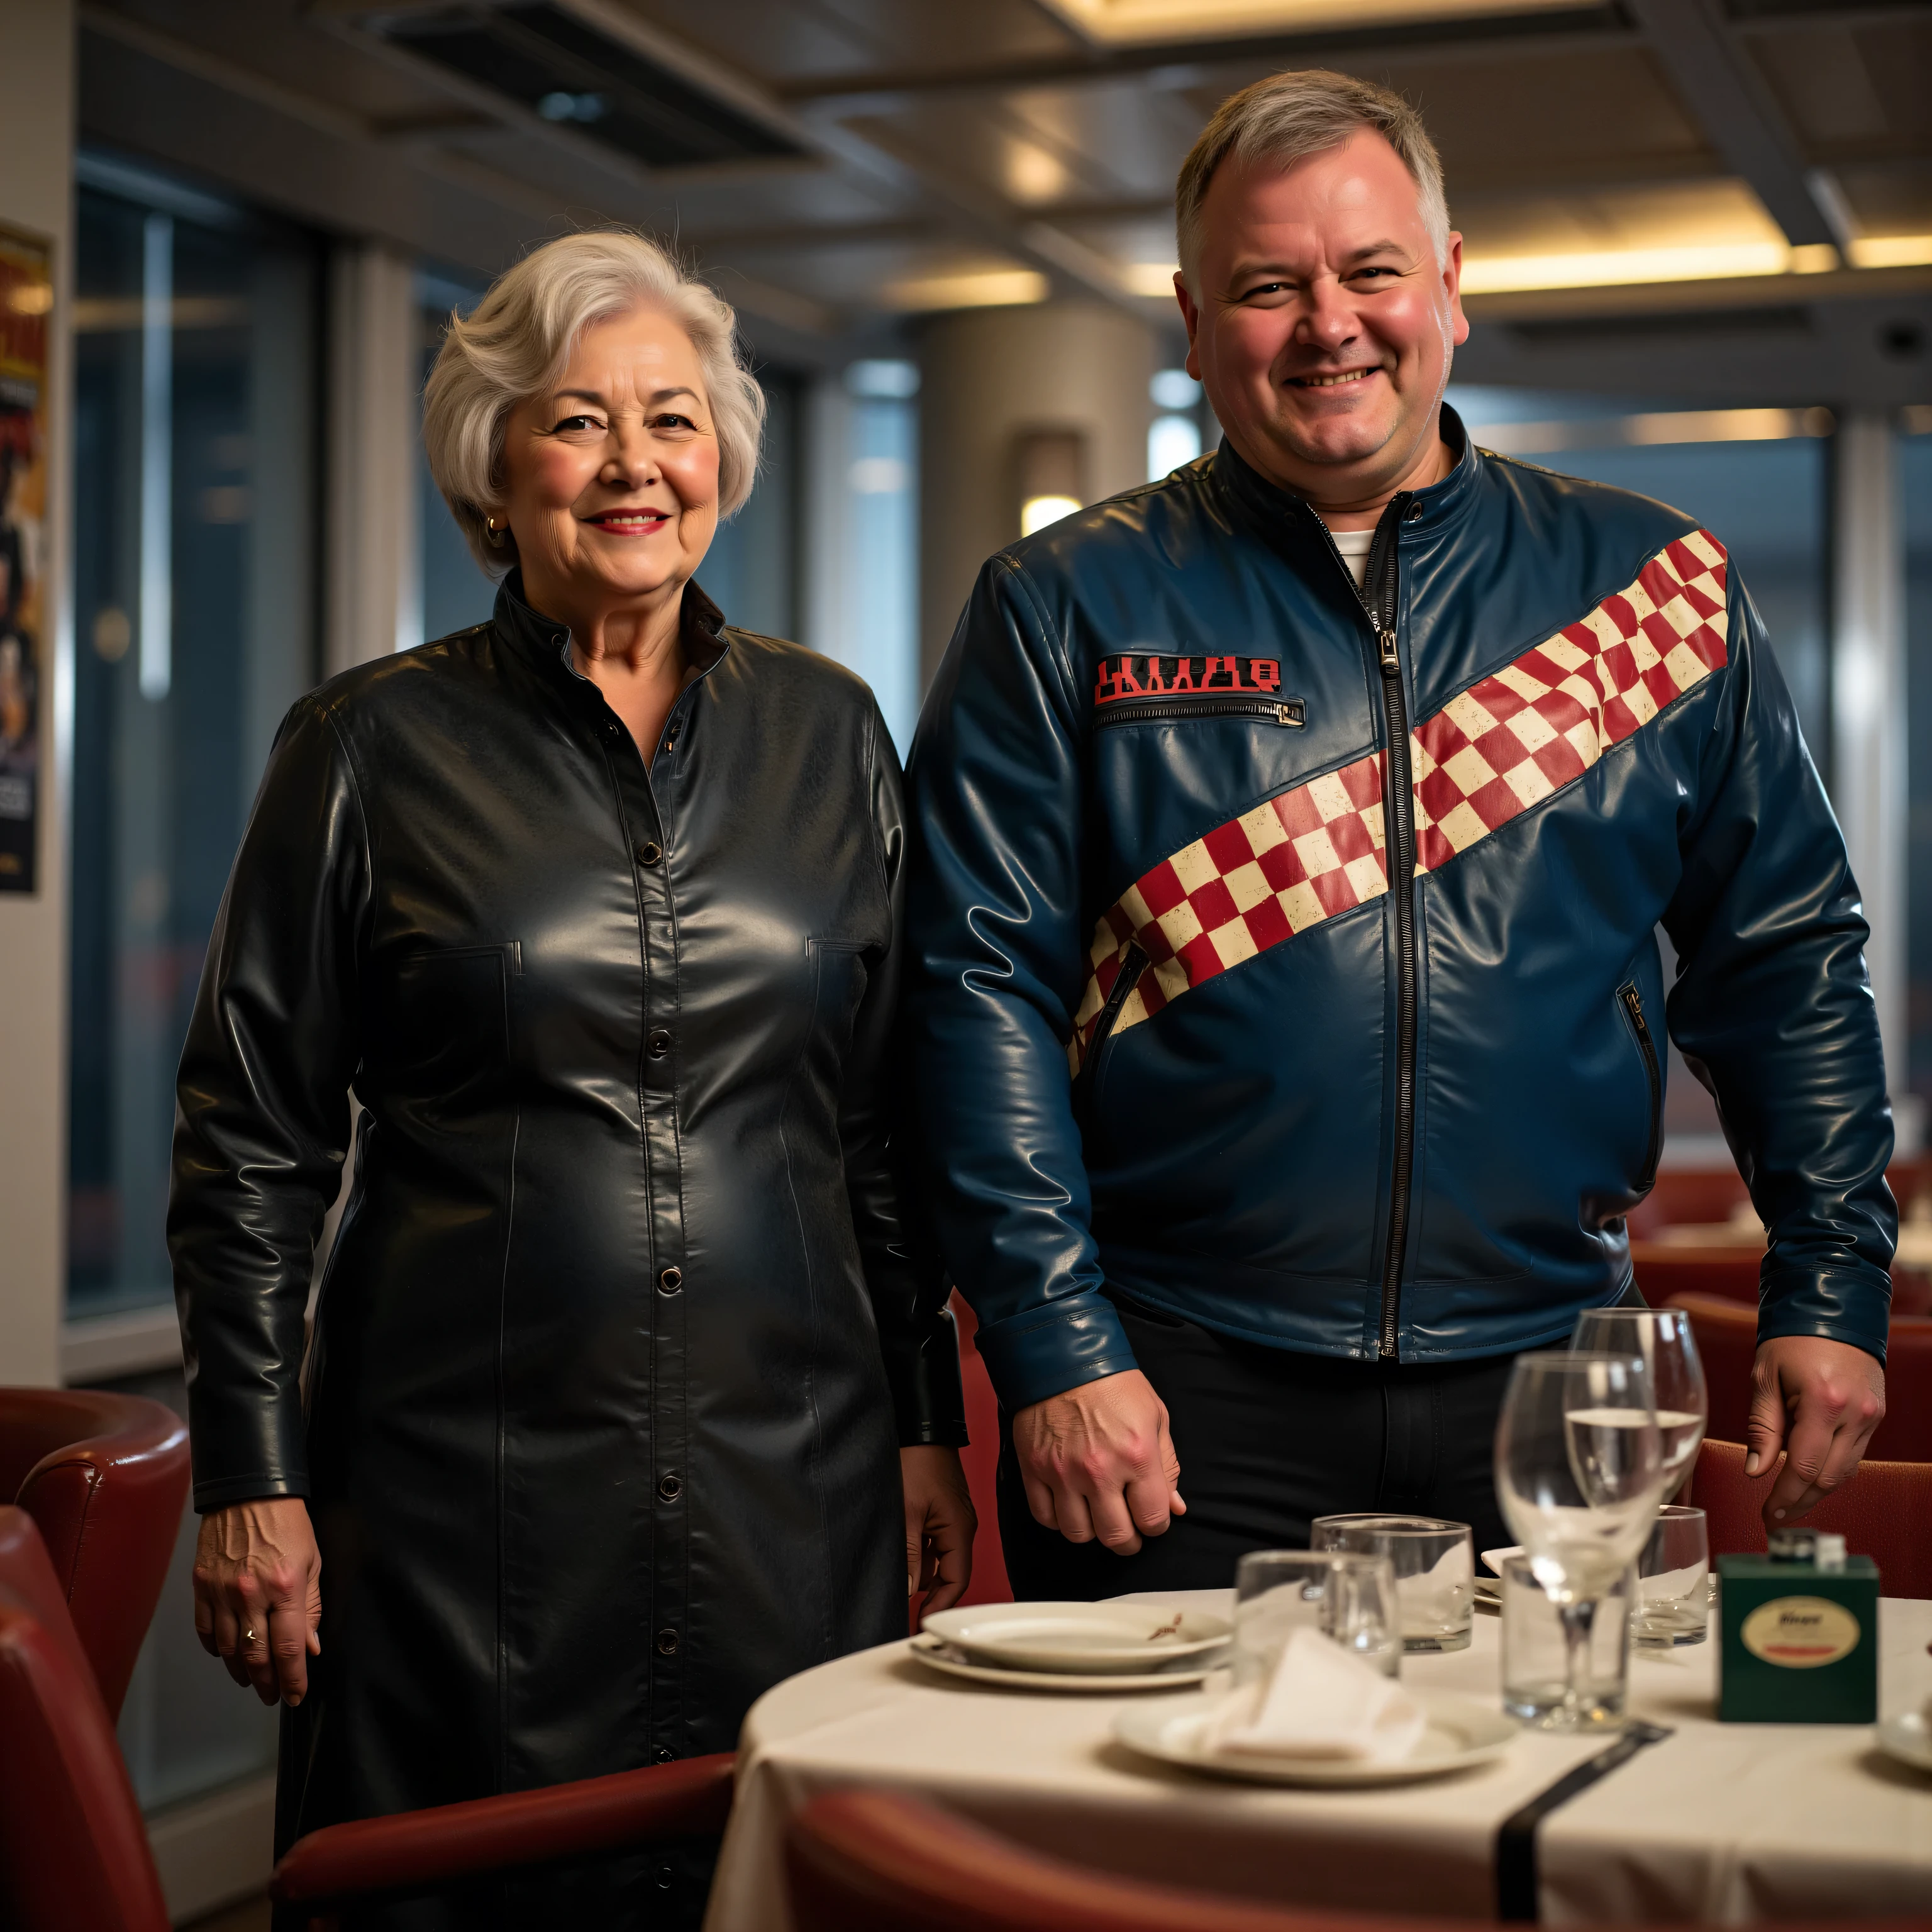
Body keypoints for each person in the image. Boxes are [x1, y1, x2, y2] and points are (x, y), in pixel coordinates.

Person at [903, 69, 1893, 1597]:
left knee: (1563, 1760)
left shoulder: (1658, 594)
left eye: (1370, 271)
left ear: (1449, 284)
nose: (1330, 325)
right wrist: (1052, 1341)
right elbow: (973, 993)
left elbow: (1788, 961)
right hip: (1169, 1393)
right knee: (1156, 1772)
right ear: (1193, 319)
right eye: (1268, 287)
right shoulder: (1061, 605)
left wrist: (1831, 1287)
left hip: (1558, 1388)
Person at [170, 230, 973, 1929]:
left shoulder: (831, 734)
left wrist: (925, 1421)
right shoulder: (363, 747)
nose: (634, 466)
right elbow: (250, 1144)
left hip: (792, 1490)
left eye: (672, 420)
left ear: (722, 458)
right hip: (461, 1514)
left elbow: (878, 1126)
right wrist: (250, 1475)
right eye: (578, 421)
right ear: (495, 464)